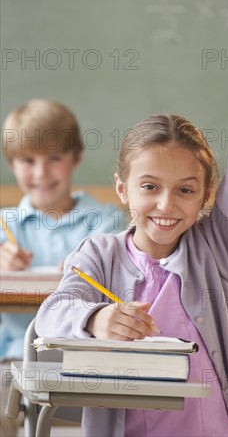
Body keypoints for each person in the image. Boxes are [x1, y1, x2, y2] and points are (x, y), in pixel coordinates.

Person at [36, 0, 228, 437]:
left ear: (207, 194)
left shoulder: (217, 248)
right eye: (149, 186)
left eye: (186, 190)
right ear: (122, 189)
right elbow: (51, 314)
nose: (167, 205)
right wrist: (95, 317)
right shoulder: (99, 255)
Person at [0, 99, 122, 436]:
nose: (41, 173)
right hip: (12, 360)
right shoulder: (5, 225)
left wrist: (84, 265)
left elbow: (118, 283)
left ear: (76, 157)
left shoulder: (105, 220)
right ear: (12, 165)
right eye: (28, 160)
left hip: (83, 358)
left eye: (55, 158)